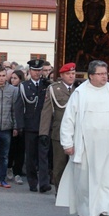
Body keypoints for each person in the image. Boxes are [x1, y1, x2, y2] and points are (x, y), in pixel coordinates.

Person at [55, 60, 109, 216]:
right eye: (100, 74)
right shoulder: (80, 94)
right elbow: (69, 120)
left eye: (106, 73)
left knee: (107, 182)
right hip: (86, 147)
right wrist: (67, 142)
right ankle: (85, 214)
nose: (104, 77)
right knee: (85, 184)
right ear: (91, 75)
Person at [39, 62, 77, 193]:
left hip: (77, 132)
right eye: (68, 74)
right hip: (59, 131)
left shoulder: (79, 89)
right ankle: (60, 191)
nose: (71, 76)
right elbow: (47, 111)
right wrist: (43, 133)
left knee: (76, 164)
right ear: (62, 75)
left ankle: (73, 191)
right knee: (59, 164)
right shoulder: (54, 89)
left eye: (73, 73)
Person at [17, 59, 52, 193]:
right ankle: (33, 182)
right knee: (31, 157)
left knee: (43, 156)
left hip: (44, 126)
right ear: (30, 71)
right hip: (30, 126)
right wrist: (20, 126)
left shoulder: (47, 85)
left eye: (39, 70)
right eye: (35, 70)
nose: (37, 73)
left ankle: (44, 183)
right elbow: (19, 107)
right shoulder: (24, 86)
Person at [6, 69, 26, 184]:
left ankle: (17, 172)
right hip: (11, 123)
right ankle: (9, 167)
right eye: (12, 78)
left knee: (20, 149)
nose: (13, 80)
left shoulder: (23, 90)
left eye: (15, 78)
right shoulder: (9, 90)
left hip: (22, 123)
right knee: (10, 149)